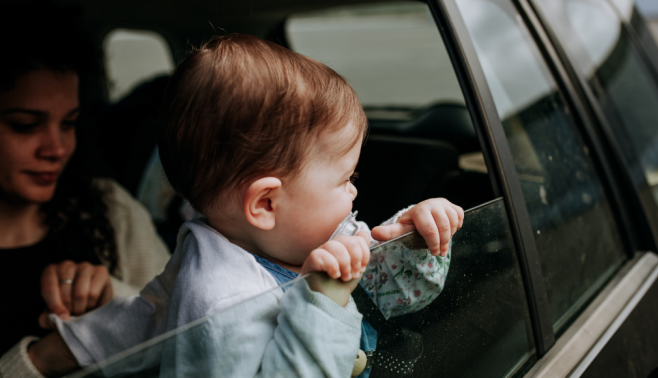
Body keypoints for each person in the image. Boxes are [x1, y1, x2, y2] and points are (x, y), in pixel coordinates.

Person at [28, 33, 463, 377]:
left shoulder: (286, 239)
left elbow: (397, 296)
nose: (353, 193)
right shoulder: (222, 305)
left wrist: (416, 237)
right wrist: (325, 305)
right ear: (266, 203)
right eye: (345, 179)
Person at [0, 2, 170, 377]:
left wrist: (114, 299)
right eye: (26, 125)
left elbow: (184, 323)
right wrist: (41, 360)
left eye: (69, 123)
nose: (56, 149)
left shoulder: (109, 210)